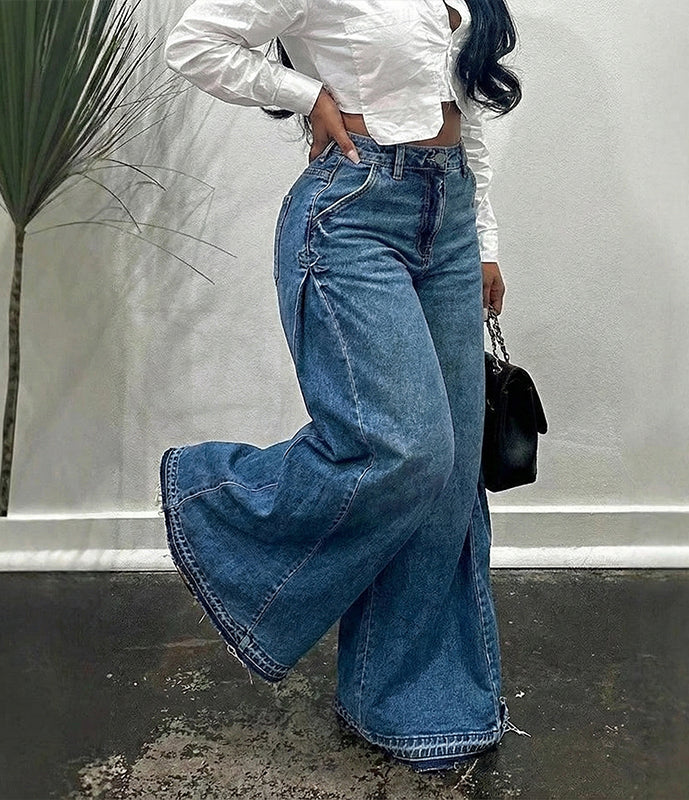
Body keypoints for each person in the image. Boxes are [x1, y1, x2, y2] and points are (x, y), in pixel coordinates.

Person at [158, 0, 529, 772]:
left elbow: (464, 112)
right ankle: (211, 500)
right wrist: (308, 95)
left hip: (450, 216)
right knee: (405, 449)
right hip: (352, 212)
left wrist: (485, 241)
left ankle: (411, 706)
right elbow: (195, 42)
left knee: (449, 477)